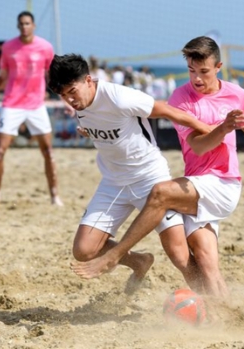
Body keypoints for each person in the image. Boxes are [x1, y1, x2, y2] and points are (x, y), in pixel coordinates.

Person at [70, 36, 244, 298]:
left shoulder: (236, 93)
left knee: (161, 192)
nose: (197, 78)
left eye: (204, 71)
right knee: (203, 259)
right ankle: (225, 313)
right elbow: (199, 146)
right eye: (192, 71)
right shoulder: (181, 98)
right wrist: (224, 128)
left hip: (223, 183)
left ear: (218, 67)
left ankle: (114, 255)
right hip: (194, 185)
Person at [47, 53, 214, 294]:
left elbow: (167, 111)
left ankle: (212, 303)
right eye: (63, 96)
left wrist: (207, 130)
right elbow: (107, 126)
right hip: (113, 182)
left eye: (72, 91)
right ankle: (139, 261)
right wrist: (90, 132)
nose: (69, 100)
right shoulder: (81, 104)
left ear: (88, 80)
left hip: (150, 179)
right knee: (83, 251)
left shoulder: (119, 96)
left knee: (179, 255)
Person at [0, 11, 62, 207]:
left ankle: (54, 196)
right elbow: (1, 76)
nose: (24, 27)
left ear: (33, 25)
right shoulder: (8, 47)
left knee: (48, 152)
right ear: (18, 26)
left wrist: (65, 99)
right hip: (11, 104)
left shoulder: (45, 47)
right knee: (0, 151)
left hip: (36, 106)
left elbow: (52, 77)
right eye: (21, 24)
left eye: (27, 23)